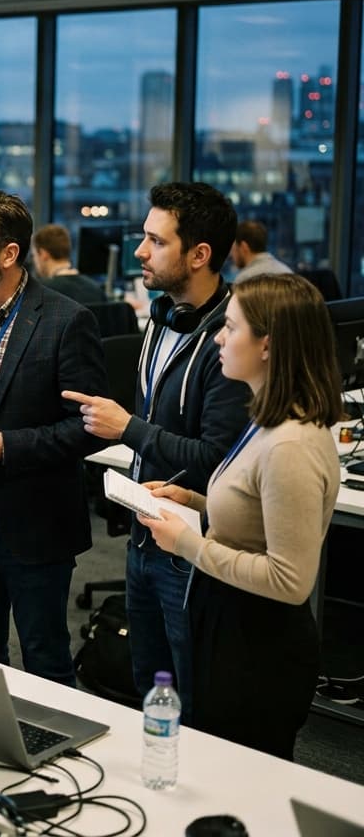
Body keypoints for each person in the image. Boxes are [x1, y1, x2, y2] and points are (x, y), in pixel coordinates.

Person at [62, 182, 249, 716]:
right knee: (149, 687)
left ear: (199, 254)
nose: (140, 251)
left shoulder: (227, 341)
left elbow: (218, 457)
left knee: (191, 700)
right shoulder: (164, 315)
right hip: (146, 533)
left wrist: (128, 429)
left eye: (155, 241)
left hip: (191, 548)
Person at [141, 273, 342, 759]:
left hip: (258, 644)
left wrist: (188, 544)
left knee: (243, 782)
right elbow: (257, 513)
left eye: (230, 328)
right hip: (232, 624)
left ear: (267, 345)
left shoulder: (288, 444)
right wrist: (193, 502)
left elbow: (290, 579)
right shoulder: (267, 419)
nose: (217, 338)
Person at [0, 190, 108, 685]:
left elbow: (89, 428)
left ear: (9, 254)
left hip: (34, 521)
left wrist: (8, 446)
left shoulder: (66, 321)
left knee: (45, 659)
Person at [31, 224, 106, 306]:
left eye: (33, 255)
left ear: (43, 254)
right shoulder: (96, 290)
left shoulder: (39, 291)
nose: (34, 261)